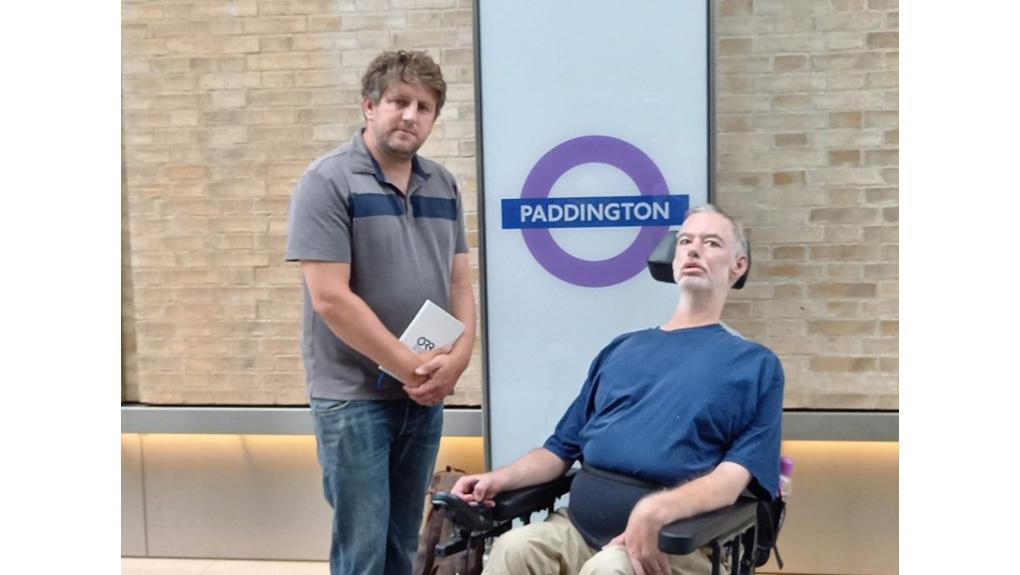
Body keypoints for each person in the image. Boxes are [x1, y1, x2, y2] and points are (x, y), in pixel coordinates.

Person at [452, 205, 784, 575]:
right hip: (577, 530)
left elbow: (730, 481)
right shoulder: (622, 350)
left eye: (711, 243)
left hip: (674, 540)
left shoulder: (755, 365)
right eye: (685, 241)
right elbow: (558, 451)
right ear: (672, 259)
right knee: (514, 549)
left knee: (610, 568)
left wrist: (655, 510)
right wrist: (499, 478)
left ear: (738, 265)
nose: (693, 250)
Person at [285, 50, 476, 575]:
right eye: (399, 101)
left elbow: (459, 279)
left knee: (402, 544)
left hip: (423, 393)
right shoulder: (327, 181)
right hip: (353, 399)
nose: (411, 115)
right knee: (363, 549)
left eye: (425, 106)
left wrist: (458, 360)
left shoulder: (443, 183)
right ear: (370, 105)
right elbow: (330, 297)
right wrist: (409, 367)